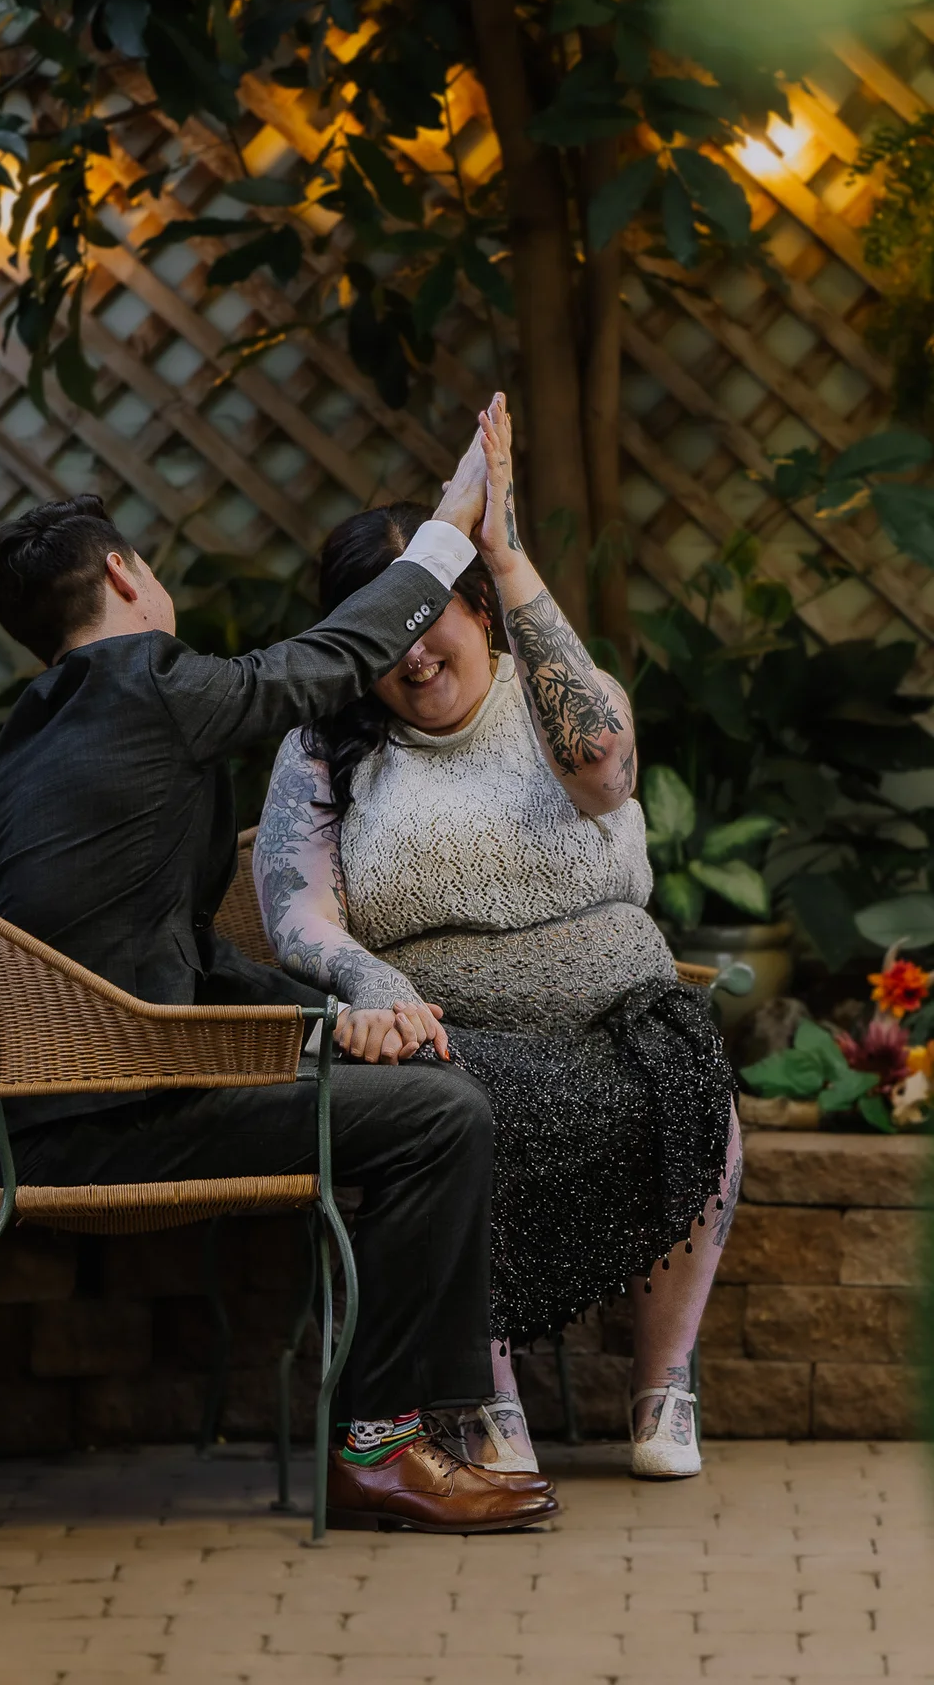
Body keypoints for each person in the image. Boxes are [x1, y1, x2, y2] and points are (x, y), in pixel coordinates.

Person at [0, 464, 560, 1534]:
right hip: (101, 1116)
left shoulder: (35, 730)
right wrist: (445, 531)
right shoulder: (147, 687)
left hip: (40, 1109)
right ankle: (387, 1446)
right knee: (441, 1115)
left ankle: (430, 1423)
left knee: (411, 1084)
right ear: (126, 575)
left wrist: (335, 1020)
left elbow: (173, 947)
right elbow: (326, 661)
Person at [253, 393, 740, 1482]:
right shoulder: (327, 747)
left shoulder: (554, 693)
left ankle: (665, 1386)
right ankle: (483, 1399)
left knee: (694, 1076)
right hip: (451, 1031)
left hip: (620, 1016)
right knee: (462, 1111)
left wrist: (508, 552)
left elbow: (605, 770)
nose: (410, 655)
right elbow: (296, 910)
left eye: (427, 615)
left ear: (475, 606)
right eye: (379, 631)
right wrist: (368, 980)